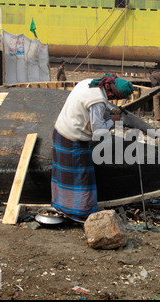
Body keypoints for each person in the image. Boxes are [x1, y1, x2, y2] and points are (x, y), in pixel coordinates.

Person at [51, 73, 134, 222]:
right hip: (73, 139)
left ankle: (62, 206)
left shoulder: (90, 83)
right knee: (82, 178)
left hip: (60, 131)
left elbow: (100, 103)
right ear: (110, 92)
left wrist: (110, 109)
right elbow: (98, 131)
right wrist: (112, 122)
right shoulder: (98, 101)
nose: (112, 100)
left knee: (63, 177)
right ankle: (80, 214)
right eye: (113, 98)